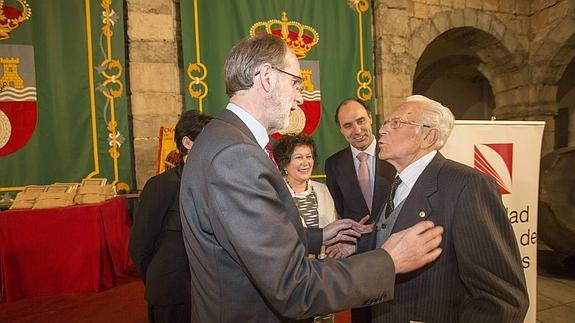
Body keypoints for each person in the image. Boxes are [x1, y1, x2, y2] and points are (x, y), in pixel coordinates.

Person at [179, 33, 444, 323]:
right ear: (266, 76)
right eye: (295, 83)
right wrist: (389, 261)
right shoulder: (235, 155)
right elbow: (292, 288)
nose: (300, 98)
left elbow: (249, 238)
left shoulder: (225, 138)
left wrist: (317, 237)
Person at [371, 95, 529, 322]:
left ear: (428, 136)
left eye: (395, 123)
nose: (383, 130)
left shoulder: (469, 185)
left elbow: (502, 298)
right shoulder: (395, 182)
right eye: (385, 123)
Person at [129, 110, 212, 323]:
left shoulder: (216, 184)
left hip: (209, 291)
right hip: (172, 293)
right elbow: (140, 244)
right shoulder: (161, 186)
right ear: (187, 142)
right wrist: (160, 277)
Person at [324, 98, 395, 322]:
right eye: (348, 125)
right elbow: (340, 208)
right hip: (357, 258)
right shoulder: (333, 165)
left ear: (370, 119)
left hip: (395, 250)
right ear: (340, 130)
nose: (357, 130)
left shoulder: (395, 156)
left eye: (360, 120)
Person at [274, 133, 357, 323]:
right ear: (284, 164)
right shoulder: (276, 195)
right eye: (298, 157)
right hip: (291, 280)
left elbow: (333, 230)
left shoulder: (323, 190)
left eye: (309, 156)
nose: (306, 163)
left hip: (322, 278)